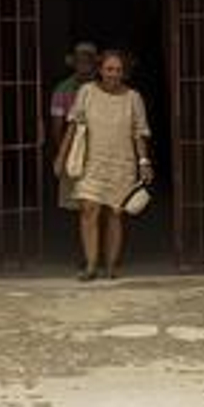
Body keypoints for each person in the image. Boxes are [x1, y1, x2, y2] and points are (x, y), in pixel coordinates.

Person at [54, 49, 154, 281]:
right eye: (109, 69)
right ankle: (90, 265)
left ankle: (110, 266)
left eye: (118, 70)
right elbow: (72, 125)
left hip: (122, 163)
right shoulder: (86, 92)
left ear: (124, 73)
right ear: (100, 70)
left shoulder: (133, 98)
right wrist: (61, 156)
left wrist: (144, 162)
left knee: (115, 214)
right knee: (89, 210)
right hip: (91, 162)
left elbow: (139, 133)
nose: (113, 74)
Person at [50, 42, 99, 213]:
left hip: (101, 151)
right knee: (80, 203)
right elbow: (57, 125)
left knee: (100, 202)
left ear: (94, 64)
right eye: (80, 61)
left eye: (88, 61)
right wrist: (63, 152)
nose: (84, 65)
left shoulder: (104, 87)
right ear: (74, 63)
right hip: (74, 150)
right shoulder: (62, 89)